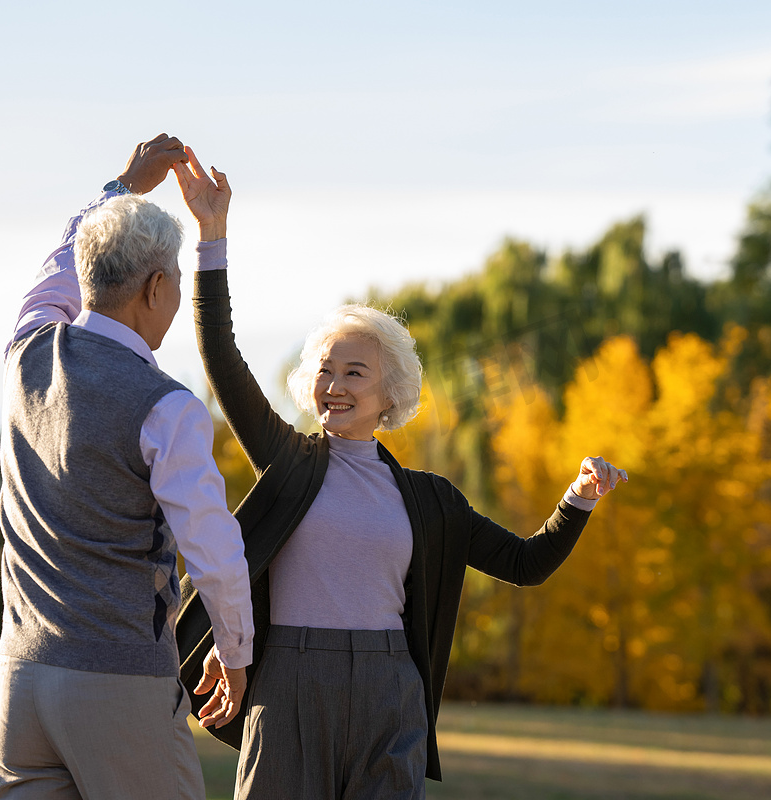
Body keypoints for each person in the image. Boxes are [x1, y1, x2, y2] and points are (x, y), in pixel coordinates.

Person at [171, 148, 629, 799]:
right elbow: (220, 355)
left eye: (354, 372)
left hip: (392, 689)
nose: (333, 385)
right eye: (324, 370)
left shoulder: (429, 501)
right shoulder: (288, 461)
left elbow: (526, 565)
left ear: (391, 394)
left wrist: (579, 499)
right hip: (290, 683)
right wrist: (210, 242)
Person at [0, 134, 254, 799]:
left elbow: (57, 268)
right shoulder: (166, 407)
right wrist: (235, 648)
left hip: (21, 679)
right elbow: (213, 549)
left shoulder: (26, 352)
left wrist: (120, 188)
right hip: (119, 681)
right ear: (159, 286)